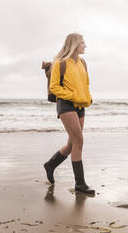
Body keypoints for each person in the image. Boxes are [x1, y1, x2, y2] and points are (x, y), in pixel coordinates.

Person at [43, 33, 95, 195]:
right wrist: (73, 96)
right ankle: (80, 184)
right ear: (74, 44)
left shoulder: (83, 63)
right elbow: (54, 88)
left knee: (73, 144)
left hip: (80, 105)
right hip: (65, 105)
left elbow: (85, 84)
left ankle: (50, 165)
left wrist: (87, 97)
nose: (85, 46)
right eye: (82, 43)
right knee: (79, 141)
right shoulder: (60, 62)